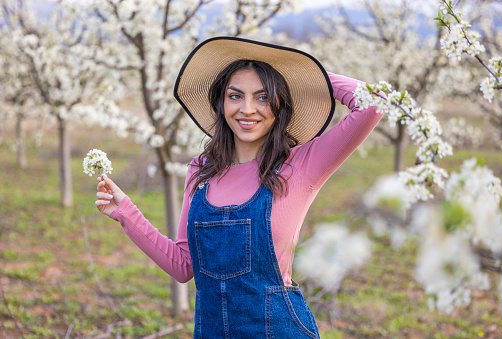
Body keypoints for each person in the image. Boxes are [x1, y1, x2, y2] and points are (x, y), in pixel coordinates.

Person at [95, 36, 383, 338]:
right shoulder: (200, 170)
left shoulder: (301, 164)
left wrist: (303, 75)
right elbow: (183, 266)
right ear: (220, 103)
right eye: (235, 96)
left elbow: (373, 104)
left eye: (262, 97)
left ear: (278, 105)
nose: (247, 109)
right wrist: (125, 211)